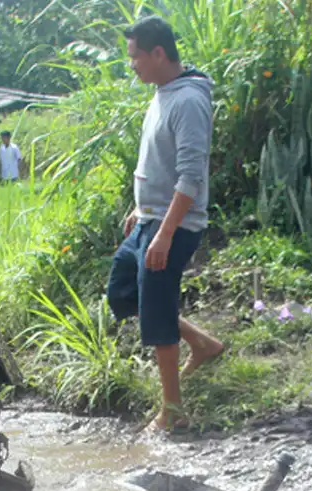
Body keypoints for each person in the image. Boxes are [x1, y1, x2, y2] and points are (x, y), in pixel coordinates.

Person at [105, 15, 225, 432]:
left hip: (173, 226)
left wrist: (165, 232)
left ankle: (172, 410)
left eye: (135, 57)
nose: (132, 65)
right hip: (150, 219)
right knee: (122, 292)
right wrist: (142, 207)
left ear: (158, 54)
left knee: (156, 310)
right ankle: (202, 344)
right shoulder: (163, 92)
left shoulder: (189, 100)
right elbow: (160, 161)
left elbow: (191, 176)